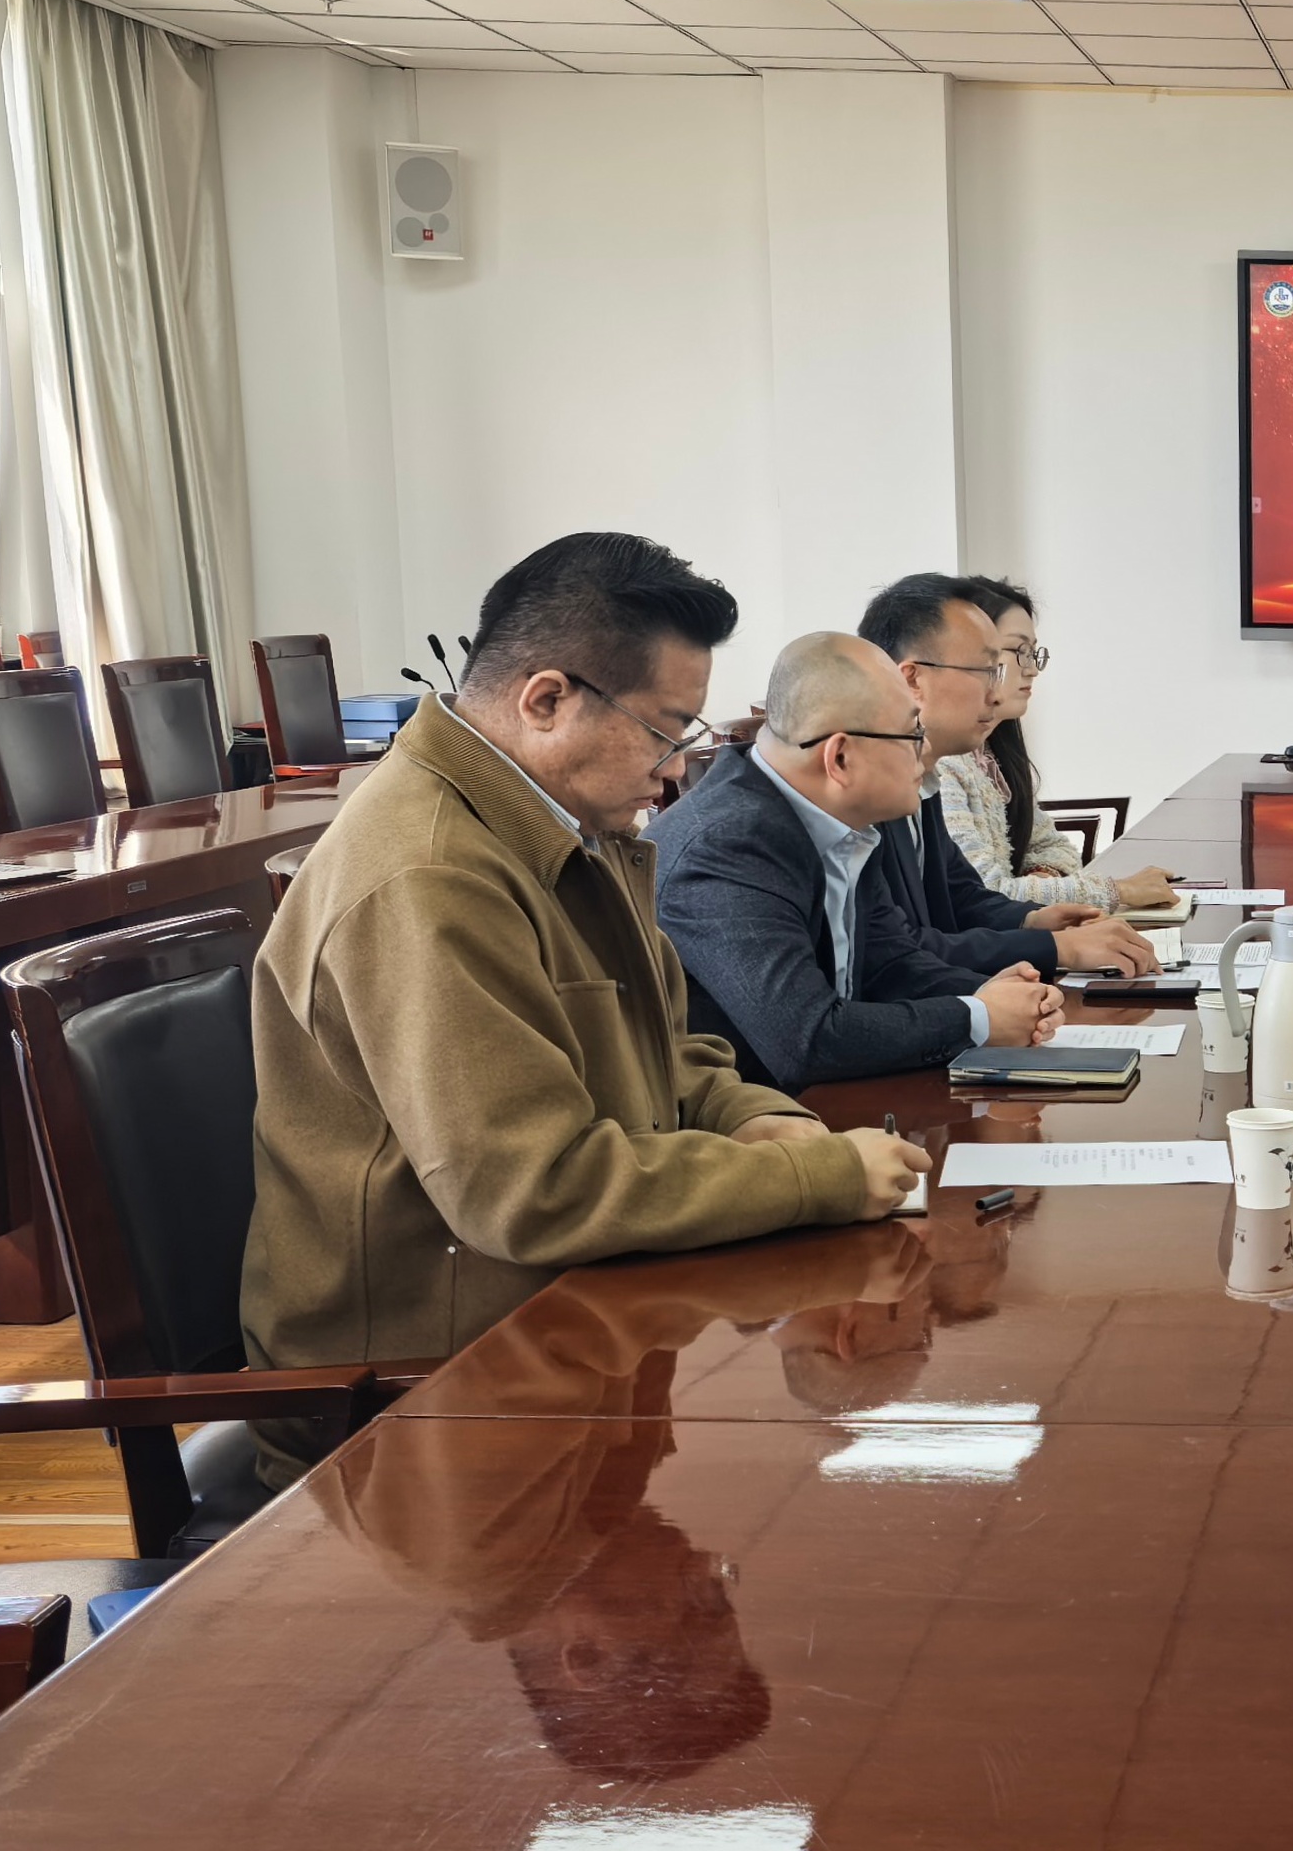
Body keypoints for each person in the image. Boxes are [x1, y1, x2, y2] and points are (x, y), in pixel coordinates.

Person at [243, 532, 919, 1449]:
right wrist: (817, 1176)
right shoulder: (430, 874)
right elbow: (535, 1191)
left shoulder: (562, 829)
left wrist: (757, 1119)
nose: (676, 768)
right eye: (665, 731)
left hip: (565, 1323)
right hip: (418, 1403)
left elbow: (664, 1051)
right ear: (548, 700)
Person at [654, 631, 1065, 1091]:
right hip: (748, 1118)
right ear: (841, 757)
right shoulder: (726, 846)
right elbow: (806, 1039)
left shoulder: (844, 820)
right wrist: (977, 1017)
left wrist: (996, 995)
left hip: (831, 1101)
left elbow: (890, 963)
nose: (925, 749)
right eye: (913, 733)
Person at [856, 573, 1154, 980]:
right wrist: (1056, 947)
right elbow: (897, 952)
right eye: (984, 670)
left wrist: (1032, 920)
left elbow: (962, 895)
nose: (996, 694)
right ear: (912, 679)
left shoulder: (929, 773)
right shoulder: (865, 794)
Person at [937, 575, 1181, 916]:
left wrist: (1042, 879)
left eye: (1033, 653)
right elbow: (987, 893)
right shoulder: (943, 763)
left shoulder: (991, 756)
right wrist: (1119, 890)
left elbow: (1056, 848)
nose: (1032, 670)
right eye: (1019, 652)